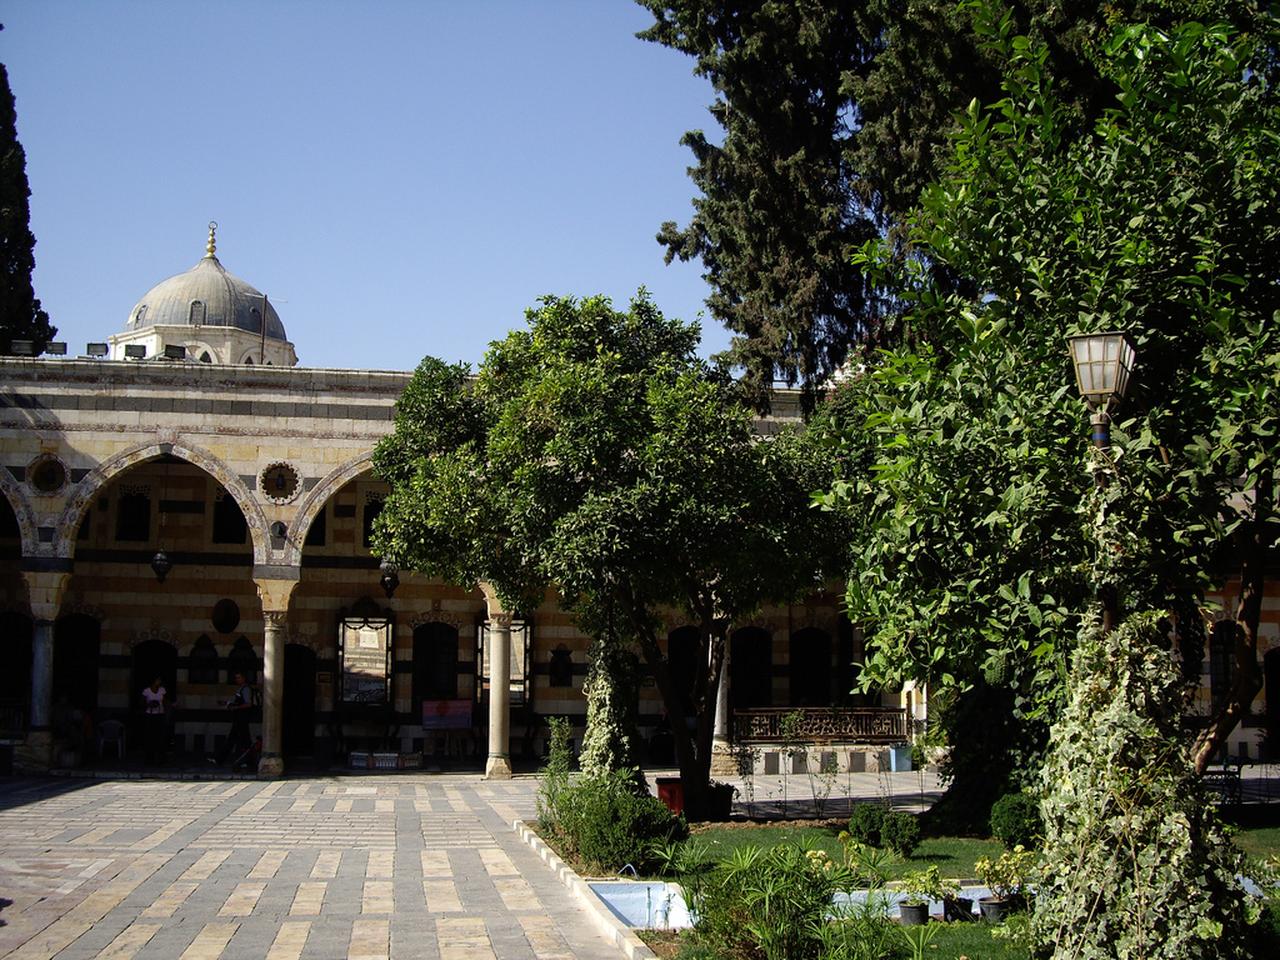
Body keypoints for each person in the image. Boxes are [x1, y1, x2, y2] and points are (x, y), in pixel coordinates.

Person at [215, 671, 256, 768]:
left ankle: (220, 759)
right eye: (236, 678)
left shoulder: (246, 689)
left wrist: (236, 708)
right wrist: (227, 703)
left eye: (239, 677)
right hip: (239, 718)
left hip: (242, 719)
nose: (237, 680)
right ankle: (248, 761)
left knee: (238, 740)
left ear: (244, 678)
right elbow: (236, 702)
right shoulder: (241, 689)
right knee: (242, 740)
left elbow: (248, 704)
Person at [141, 675, 168, 764]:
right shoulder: (147, 691)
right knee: (149, 736)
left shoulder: (162, 690)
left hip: (160, 714)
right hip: (150, 715)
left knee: (160, 736)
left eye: (160, 680)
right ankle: (149, 758)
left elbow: (165, 702)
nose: (159, 681)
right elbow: (142, 703)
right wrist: (150, 704)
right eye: (157, 680)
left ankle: (160, 758)